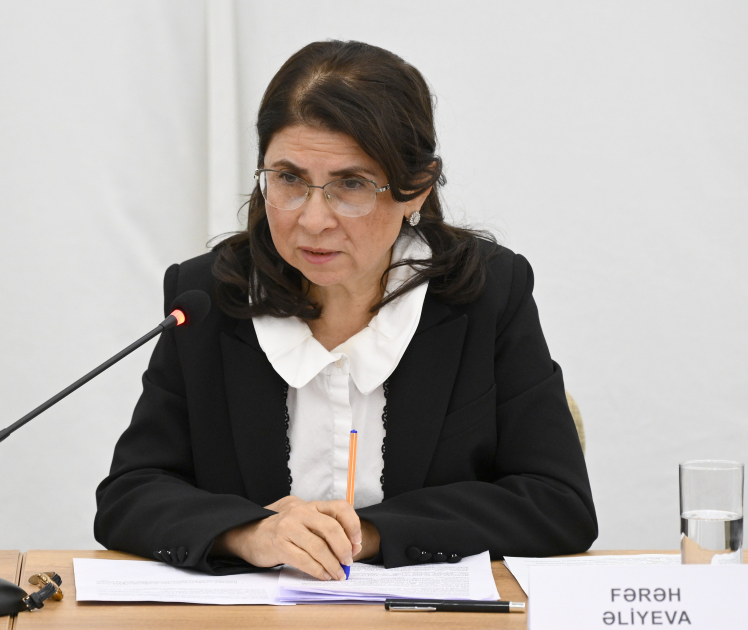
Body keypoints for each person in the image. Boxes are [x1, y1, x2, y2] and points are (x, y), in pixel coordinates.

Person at [94, 40, 597, 581]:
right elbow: (131, 494)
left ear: (416, 189)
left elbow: (557, 503)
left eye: (350, 184)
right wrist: (250, 533)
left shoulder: (487, 293)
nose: (313, 220)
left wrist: (369, 534)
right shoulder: (208, 297)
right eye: (288, 179)